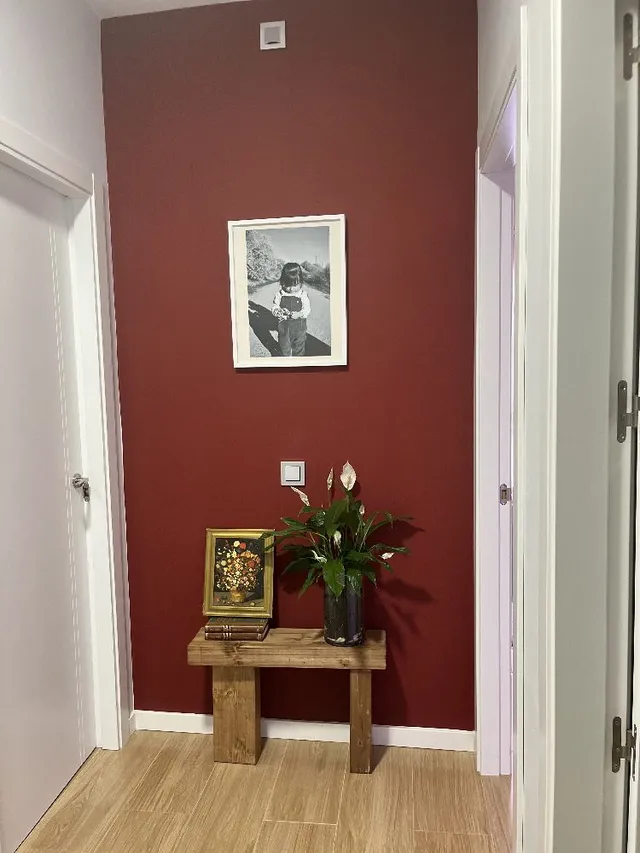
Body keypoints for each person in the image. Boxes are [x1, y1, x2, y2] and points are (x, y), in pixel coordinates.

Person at [271, 262, 311, 357]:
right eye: (288, 285)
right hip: (283, 327)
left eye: (295, 285)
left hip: (299, 328)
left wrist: (299, 314)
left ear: (301, 282)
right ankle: (286, 358)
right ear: (282, 283)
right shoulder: (280, 294)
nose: (291, 289)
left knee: (299, 346)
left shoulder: (302, 295)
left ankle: (298, 360)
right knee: (284, 345)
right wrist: (276, 311)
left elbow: (307, 309)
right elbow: (275, 306)